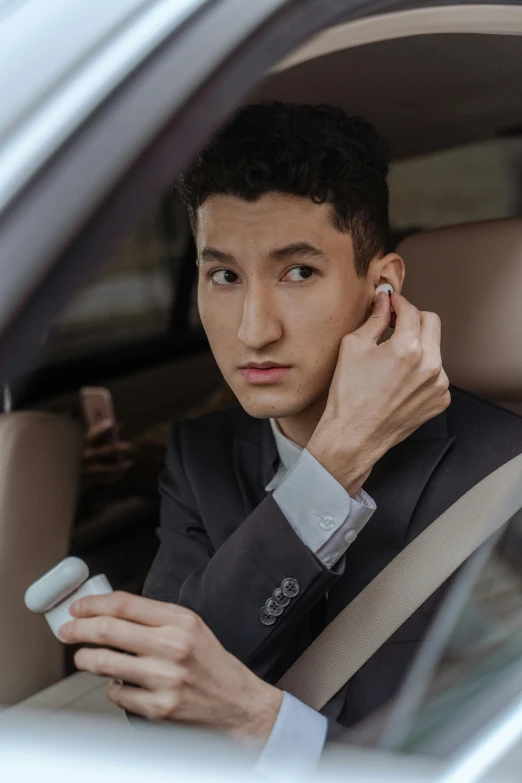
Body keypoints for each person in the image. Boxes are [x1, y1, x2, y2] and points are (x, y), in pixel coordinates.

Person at [58, 102, 522, 773]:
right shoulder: (202, 455)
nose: (253, 329)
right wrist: (331, 468)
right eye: (224, 275)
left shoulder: (503, 474)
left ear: (383, 287)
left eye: (298, 271)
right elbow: (155, 696)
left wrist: (258, 722)